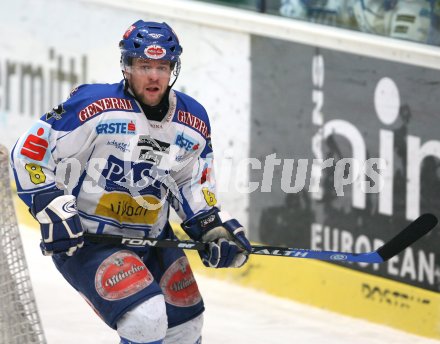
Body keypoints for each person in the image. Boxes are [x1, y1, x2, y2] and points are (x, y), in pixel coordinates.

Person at [11, 20, 251, 344]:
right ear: (127, 67)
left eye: (162, 66)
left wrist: (210, 225)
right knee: (146, 318)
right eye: (144, 65)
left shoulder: (193, 121)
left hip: (152, 240)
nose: (154, 75)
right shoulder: (92, 106)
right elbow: (29, 153)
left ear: (173, 69)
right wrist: (51, 206)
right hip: (89, 242)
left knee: (187, 324)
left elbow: (189, 181)